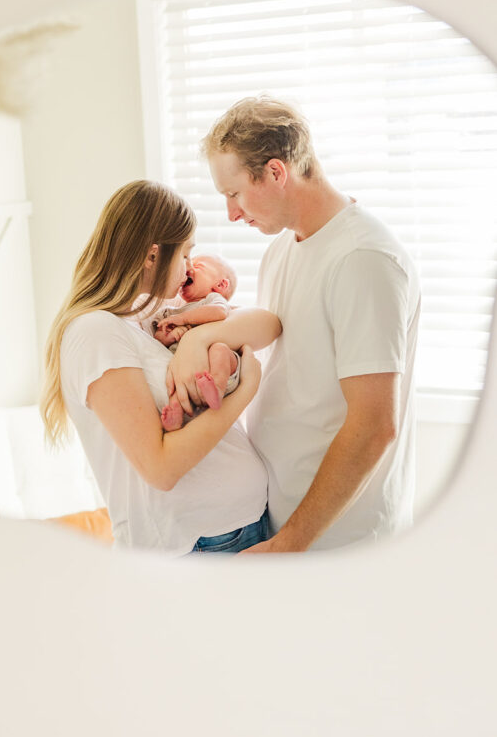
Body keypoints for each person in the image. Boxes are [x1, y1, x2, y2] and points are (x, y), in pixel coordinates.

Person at [166, 95, 421, 553]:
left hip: (337, 539)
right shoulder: (282, 250)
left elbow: (374, 425)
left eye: (235, 193)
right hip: (280, 519)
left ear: (276, 172)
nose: (231, 213)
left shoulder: (363, 259)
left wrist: (291, 542)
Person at [40, 180, 282, 556]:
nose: (188, 267)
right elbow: (160, 468)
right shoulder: (96, 332)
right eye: (185, 253)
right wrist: (244, 393)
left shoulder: (147, 315)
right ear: (153, 256)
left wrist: (198, 342)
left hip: (236, 528)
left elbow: (268, 323)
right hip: (198, 543)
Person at [144, 253, 241, 430]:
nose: (189, 268)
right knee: (173, 378)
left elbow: (219, 313)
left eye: (198, 265)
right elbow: (158, 338)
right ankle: (175, 413)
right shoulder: (169, 312)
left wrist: (183, 319)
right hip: (187, 372)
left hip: (217, 367)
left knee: (220, 349)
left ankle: (216, 390)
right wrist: (172, 335)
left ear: (220, 285)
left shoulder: (213, 300)